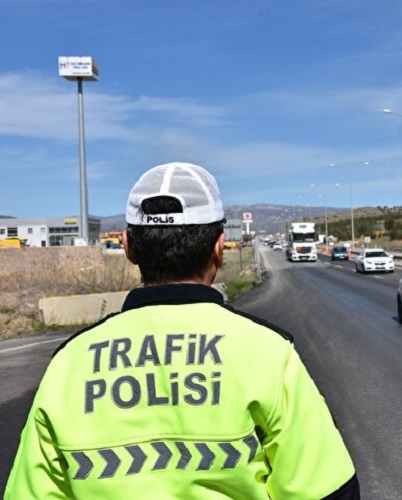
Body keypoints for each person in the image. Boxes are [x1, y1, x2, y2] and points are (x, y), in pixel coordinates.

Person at [5, 162, 359, 499]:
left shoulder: (68, 365)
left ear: (128, 248)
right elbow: (328, 491)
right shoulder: (269, 353)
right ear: (219, 248)